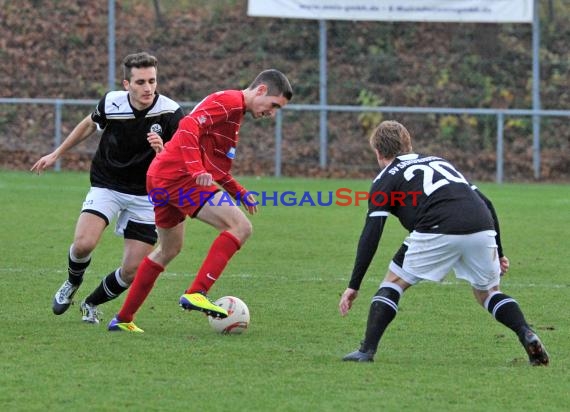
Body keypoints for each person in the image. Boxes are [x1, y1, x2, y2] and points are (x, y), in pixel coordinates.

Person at [339, 120, 549, 366]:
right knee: (489, 293)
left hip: (436, 228)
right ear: (408, 144)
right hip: (481, 226)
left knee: (393, 282)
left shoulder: (384, 180)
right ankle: (526, 332)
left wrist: (354, 285)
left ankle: (366, 351)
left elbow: (371, 233)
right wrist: (499, 252)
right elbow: (488, 203)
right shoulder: (439, 161)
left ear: (377, 152)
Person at [107, 69, 293, 332]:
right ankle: (197, 291)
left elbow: (215, 168)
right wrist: (195, 170)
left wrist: (239, 192)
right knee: (240, 227)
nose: (272, 113)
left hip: (161, 175)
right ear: (261, 90)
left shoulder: (234, 114)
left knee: (168, 249)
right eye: (273, 105)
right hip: (179, 175)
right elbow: (187, 127)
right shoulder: (229, 102)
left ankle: (123, 319)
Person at [31, 52, 184, 324]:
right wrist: (57, 153)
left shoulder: (170, 112)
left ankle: (92, 303)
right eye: (140, 82)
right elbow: (90, 123)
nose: (148, 88)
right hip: (108, 184)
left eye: (152, 81)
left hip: (148, 195)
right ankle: (71, 282)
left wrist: (163, 152)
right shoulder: (112, 103)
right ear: (127, 84)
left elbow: (181, 158)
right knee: (83, 245)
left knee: (132, 269)